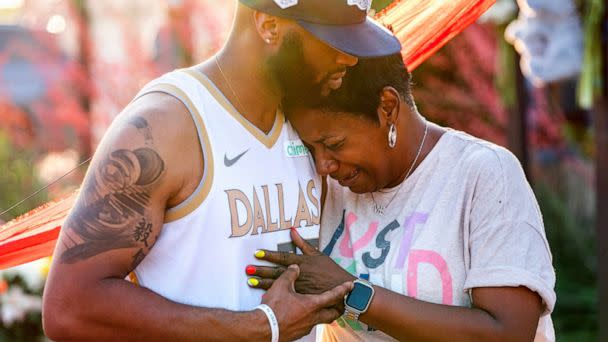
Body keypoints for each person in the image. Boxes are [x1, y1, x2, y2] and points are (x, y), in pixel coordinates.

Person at [41, 1, 402, 341]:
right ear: (269, 24)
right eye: (331, 40)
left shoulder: (310, 130)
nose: (349, 58)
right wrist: (258, 328)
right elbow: (68, 308)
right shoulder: (167, 127)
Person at [248, 54, 556, 341]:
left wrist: (350, 293)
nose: (323, 165)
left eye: (334, 144)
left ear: (387, 108)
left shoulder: (483, 174)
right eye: (311, 147)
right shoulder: (328, 185)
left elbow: (509, 332)